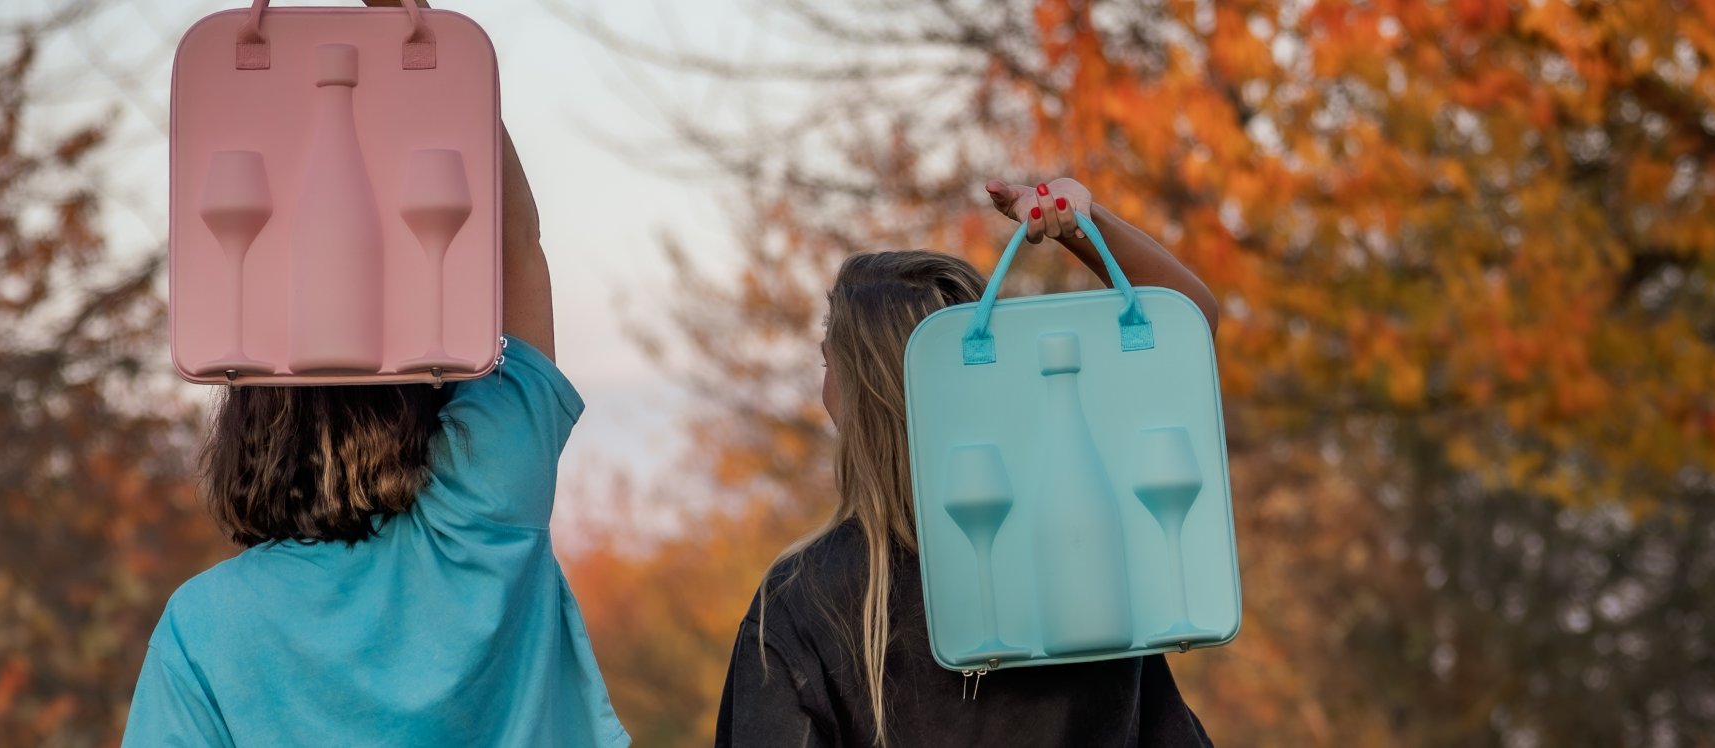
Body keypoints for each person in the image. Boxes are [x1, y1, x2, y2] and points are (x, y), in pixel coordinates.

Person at [120, 124, 630, 746]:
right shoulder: (482, 511)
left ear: (247, 415)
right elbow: (518, 247)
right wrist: (441, 71)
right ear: (416, 386)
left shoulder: (202, 629)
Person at [714, 178, 1222, 747]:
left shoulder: (805, 599)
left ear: (861, 395)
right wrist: (1081, 225)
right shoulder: (1083, 535)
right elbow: (1186, 327)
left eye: (827, 362)